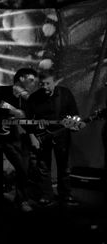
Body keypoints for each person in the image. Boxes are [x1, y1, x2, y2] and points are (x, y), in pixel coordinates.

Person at [0, 67, 38, 212]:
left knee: (22, 168)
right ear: (21, 78)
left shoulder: (28, 99)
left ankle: (22, 200)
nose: (33, 83)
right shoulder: (3, 91)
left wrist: (32, 135)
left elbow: (27, 119)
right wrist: (11, 110)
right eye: (31, 80)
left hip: (13, 136)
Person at [27, 69, 79, 206]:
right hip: (41, 136)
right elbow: (27, 119)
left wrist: (75, 124)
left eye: (48, 84)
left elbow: (75, 114)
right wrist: (32, 136)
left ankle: (66, 195)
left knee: (64, 167)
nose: (45, 87)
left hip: (61, 135)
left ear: (55, 82)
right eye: (42, 84)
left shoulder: (65, 94)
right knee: (44, 167)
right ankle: (46, 195)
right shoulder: (34, 98)